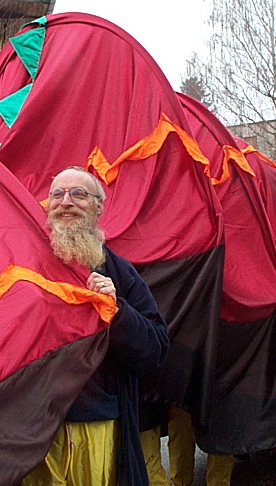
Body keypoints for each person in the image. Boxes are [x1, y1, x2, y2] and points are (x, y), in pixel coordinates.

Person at [23, 166, 170, 486]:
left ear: (98, 207)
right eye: (57, 194)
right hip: (33, 430)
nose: (66, 202)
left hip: (98, 427)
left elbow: (155, 350)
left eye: (78, 194)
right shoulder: (24, 265)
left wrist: (117, 311)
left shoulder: (120, 272)